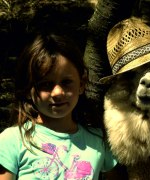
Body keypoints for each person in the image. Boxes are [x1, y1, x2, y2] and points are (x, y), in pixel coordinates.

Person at [0, 33, 117, 179]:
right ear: (27, 90)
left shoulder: (99, 141)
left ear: (81, 84)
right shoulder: (12, 141)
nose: (57, 92)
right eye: (46, 85)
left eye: (66, 82)